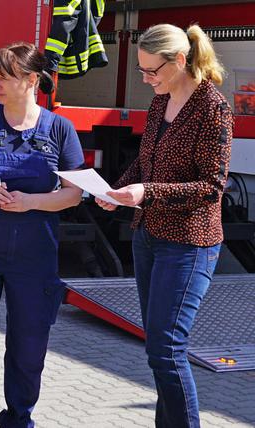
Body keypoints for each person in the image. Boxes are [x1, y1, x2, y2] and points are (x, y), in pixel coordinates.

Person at [98, 24, 233, 428]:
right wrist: (115, 191)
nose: (145, 79)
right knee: (158, 349)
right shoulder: (160, 103)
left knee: (167, 349)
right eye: (141, 71)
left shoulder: (213, 108)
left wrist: (148, 192)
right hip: (148, 237)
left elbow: (212, 186)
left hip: (189, 244)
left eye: (151, 70)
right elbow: (147, 162)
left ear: (178, 60)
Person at [0, 42, 85, 427]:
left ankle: (18, 418)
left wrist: (31, 202)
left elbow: (73, 195)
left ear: (31, 81)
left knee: (28, 349)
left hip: (34, 257)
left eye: (3, 78)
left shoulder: (59, 129)